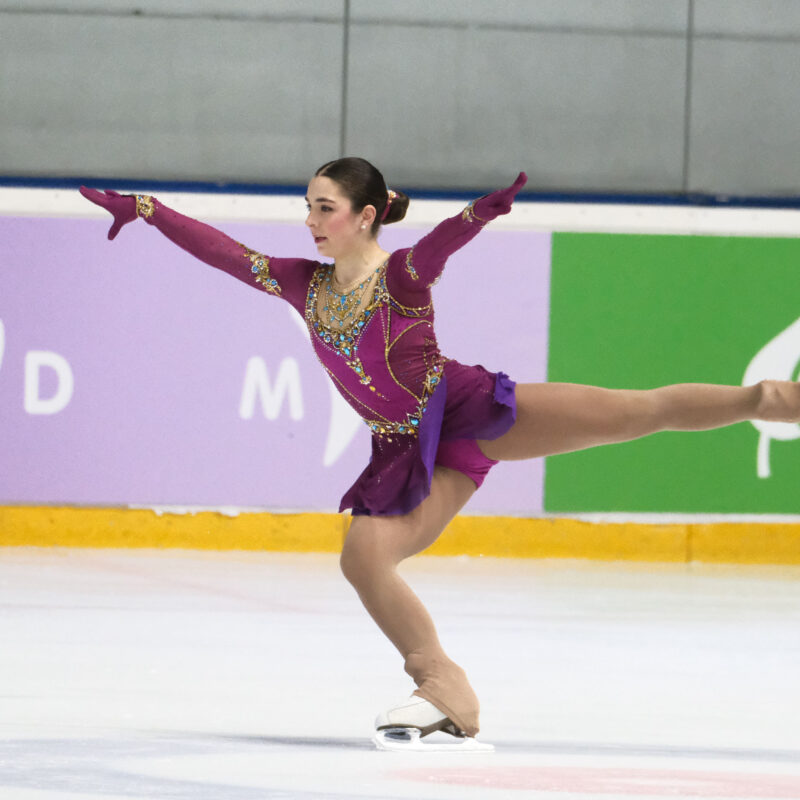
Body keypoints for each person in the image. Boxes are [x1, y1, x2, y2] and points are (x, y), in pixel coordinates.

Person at [80, 158, 800, 751]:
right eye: (308, 208)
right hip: (408, 448)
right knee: (364, 556)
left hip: (469, 412)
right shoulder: (304, 285)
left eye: (325, 208)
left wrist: (475, 216)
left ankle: (767, 398)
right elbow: (228, 256)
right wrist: (148, 210)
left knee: (636, 412)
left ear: (366, 215)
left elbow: (435, 251)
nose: (311, 221)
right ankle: (444, 689)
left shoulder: (400, 278)